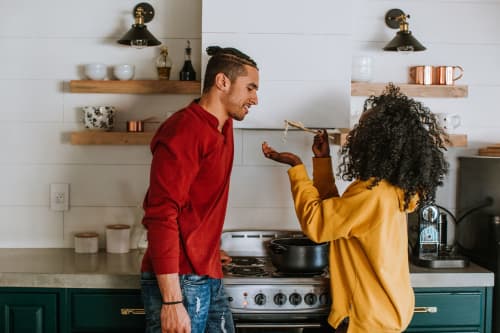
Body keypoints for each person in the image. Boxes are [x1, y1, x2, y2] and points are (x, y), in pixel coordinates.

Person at [261, 84, 448, 333]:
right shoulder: (395, 189)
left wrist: (296, 167)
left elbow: (318, 224)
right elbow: (339, 215)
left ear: (376, 141)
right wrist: (322, 162)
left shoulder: (372, 193)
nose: (355, 136)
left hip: (362, 319)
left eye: (362, 130)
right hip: (385, 313)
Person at [140, 46, 259, 333]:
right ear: (222, 82)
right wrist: (171, 302)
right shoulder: (183, 131)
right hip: (180, 280)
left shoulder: (223, 125)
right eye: (250, 88)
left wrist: (206, 246)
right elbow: (161, 214)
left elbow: (198, 203)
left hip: (206, 272)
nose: (255, 99)